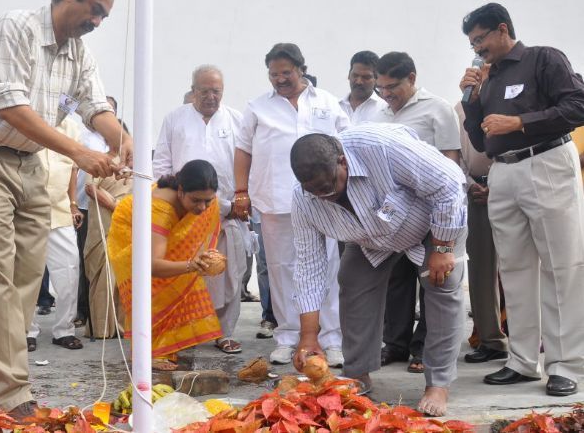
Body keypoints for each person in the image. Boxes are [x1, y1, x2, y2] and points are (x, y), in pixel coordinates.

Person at [0, 0, 132, 419]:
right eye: (95, 10)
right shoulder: (15, 29)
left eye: (104, 16)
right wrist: (79, 153)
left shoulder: (79, 53)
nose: (97, 22)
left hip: (29, 162)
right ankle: (11, 391)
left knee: (26, 277)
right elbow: (11, 107)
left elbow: (93, 105)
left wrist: (121, 137)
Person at [289, 125, 466, 416]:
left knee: (441, 286)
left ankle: (438, 384)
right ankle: (357, 373)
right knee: (353, 282)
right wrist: (309, 336)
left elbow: (448, 184)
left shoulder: (381, 146)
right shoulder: (303, 200)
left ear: (342, 161)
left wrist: (443, 247)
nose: (324, 196)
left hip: (432, 225)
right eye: (314, 192)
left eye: (328, 187)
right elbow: (309, 266)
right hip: (371, 237)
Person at [460, 2, 584, 396]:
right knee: (514, 269)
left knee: (561, 267)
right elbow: (482, 139)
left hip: (545, 161)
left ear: (502, 29)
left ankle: (566, 365)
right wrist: (472, 101)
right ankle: (522, 360)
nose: (477, 49)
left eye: (480, 40)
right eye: (472, 44)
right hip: (504, 171)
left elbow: (578, 105)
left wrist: (519, 122)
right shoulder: (488, 78)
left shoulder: (542, 59)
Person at [234, 43, 350, 366]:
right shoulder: (257, 107)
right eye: (273, 74)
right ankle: (287, 337)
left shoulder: (328, 102)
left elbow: (347, 144)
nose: (280, 79)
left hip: (324, 199)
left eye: (286, 72)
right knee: (281, 269)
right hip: (275, 200)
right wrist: (241, 191)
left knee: (328, 268)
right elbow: (243, 150)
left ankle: (331, 339)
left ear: (301, 69)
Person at [372, 51, 462, 374]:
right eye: (381, 88)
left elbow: (451, 163)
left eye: (392, 86)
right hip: (392, 216)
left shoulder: (437, 109)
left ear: (411, 78)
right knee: (396, 279)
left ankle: (422, 347)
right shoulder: (379, 114)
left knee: (431, 280)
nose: (386, 94)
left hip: (431, 212)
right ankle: (394, 343)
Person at [153, 65, 249, 354]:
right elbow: (162, 164)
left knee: (227, 274)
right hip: (186, 213)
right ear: (193, 90)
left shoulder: (236, 119)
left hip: (227, 212)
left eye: (216, 91)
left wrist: (240, 198)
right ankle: (184, 332)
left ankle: (224, 333)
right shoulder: (175, 118)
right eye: (204, 91)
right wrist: (170, 201)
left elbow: (247, 163)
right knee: (185, 273)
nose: (211, 97)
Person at [108, 159, 223, 370]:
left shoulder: (204, 200)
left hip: (160, 237)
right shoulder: (161, 210)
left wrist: (202, 259)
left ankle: (166, 344)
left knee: (176, 283)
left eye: (208, 201)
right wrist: (192, 265)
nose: (202, 208)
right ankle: (150, 351)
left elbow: (196, 239)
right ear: (180, 191)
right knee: (152, 290)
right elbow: (150, 266)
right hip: (130, 234)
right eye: (196, 200)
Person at [455, 102, 508, 364]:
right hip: (475, 193)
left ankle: (529, 340)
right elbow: (454, 155)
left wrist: (497, 186)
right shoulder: (459, 108)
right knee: (481, 271)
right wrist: (470, 184)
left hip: (511, 188)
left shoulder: (511, 99)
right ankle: (491, 340)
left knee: (524, 267)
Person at [26, 117, 85, 351]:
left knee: (69, 270)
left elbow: (73, 170)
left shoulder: (71, 126)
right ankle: (26, 331)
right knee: (26, 274)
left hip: (60, 210)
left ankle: (64, 330)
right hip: (27, 209)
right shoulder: (28, 118)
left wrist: (73, 204)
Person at [82, 113, 131, 339]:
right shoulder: (99, 160)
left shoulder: (136, 163)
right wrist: (115, 205)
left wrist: (124, 209)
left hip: (128, 225)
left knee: (124, 275)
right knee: (102, 275)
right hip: (103, 222)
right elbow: (90, 188)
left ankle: (123, 326)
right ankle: (101, 328)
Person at [339, 51, 387, 124]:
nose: (359, 82)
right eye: (355, 75)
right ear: (349, 75)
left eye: (366, 77)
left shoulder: (384, 110)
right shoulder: (334, 107)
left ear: (376, 79)